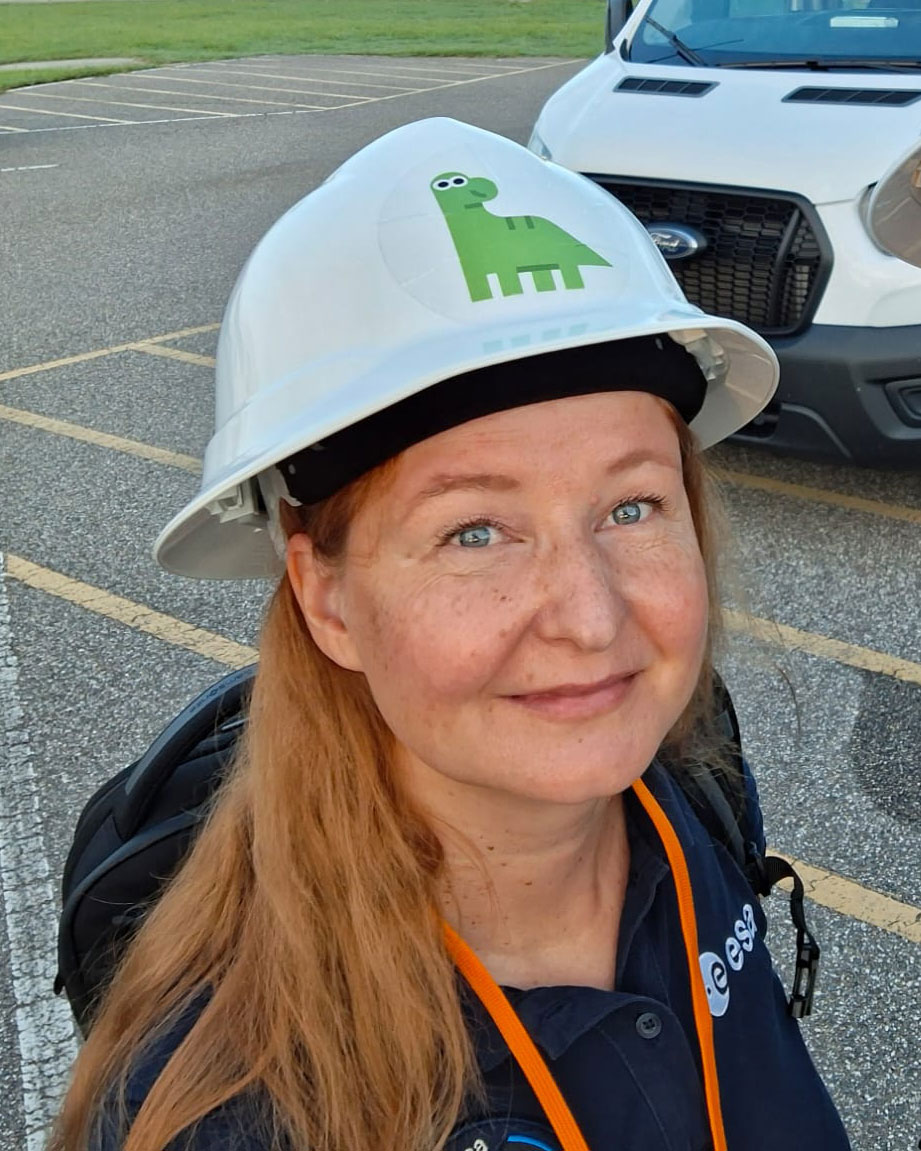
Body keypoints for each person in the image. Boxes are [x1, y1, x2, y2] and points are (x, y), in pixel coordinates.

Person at [51, 118, 851, 1151]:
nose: (592, 615)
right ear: (327, 599)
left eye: (632, 507)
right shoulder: (232, 1112)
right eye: (476, 530)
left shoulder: (686, 786)